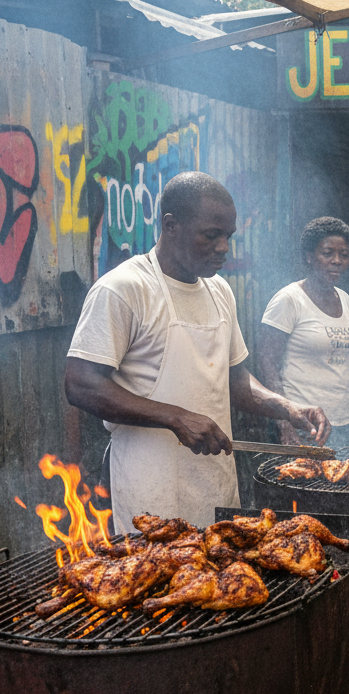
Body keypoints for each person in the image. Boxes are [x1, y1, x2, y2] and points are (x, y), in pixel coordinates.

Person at [65, 172, 330, 534]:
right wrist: (175, 417)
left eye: (228, 236)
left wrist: (285, 407)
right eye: (211, 235)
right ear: (171, 226)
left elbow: (235, 379)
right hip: (150, 484)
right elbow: (80, 384)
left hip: (214, 478)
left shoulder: (220, 291)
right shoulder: (123, 288)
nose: (224, 247)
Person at [258, 217, 349, 450]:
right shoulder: (289, 299)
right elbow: (267, 362)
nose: (337, 261)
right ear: (309, 256)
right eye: (328, 253)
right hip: (304, 425)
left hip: (344, 421)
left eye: (344, 255)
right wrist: (284, 423)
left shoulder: (344, 298)